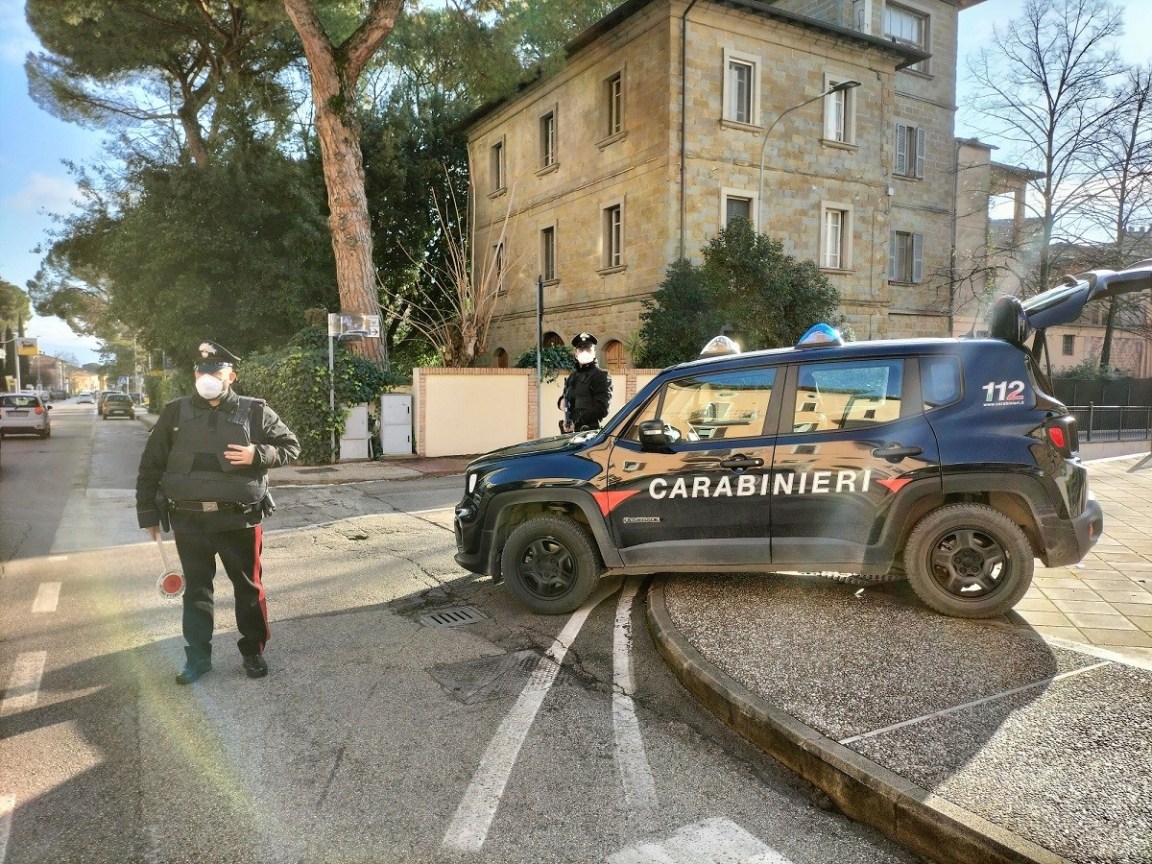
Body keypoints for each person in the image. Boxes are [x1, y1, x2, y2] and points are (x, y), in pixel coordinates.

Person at [135, 341, 301, 685]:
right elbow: (150, 465)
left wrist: (258, 454)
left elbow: (291, 446)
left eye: (215, 371)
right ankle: (197, 658)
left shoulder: (255, 410)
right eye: (201, 370)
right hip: (189, 519)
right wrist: (148, 513)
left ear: (231, 375)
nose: (207, 376)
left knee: (248, 587)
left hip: (239, 517)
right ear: (195, 374)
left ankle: (253, 652)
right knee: (196, 589)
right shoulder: (175, 412)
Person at [558, 332, 612, 433]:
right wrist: (561, 402)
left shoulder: (601, 376)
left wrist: (577, 422)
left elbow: (602, 409)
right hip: (569, 432)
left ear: (594, 352)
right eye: (581, 349)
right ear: (576, 353)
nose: (584, 352)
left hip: (589, 432)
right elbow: (565, 396)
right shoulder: (573, 376)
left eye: (588, 349)